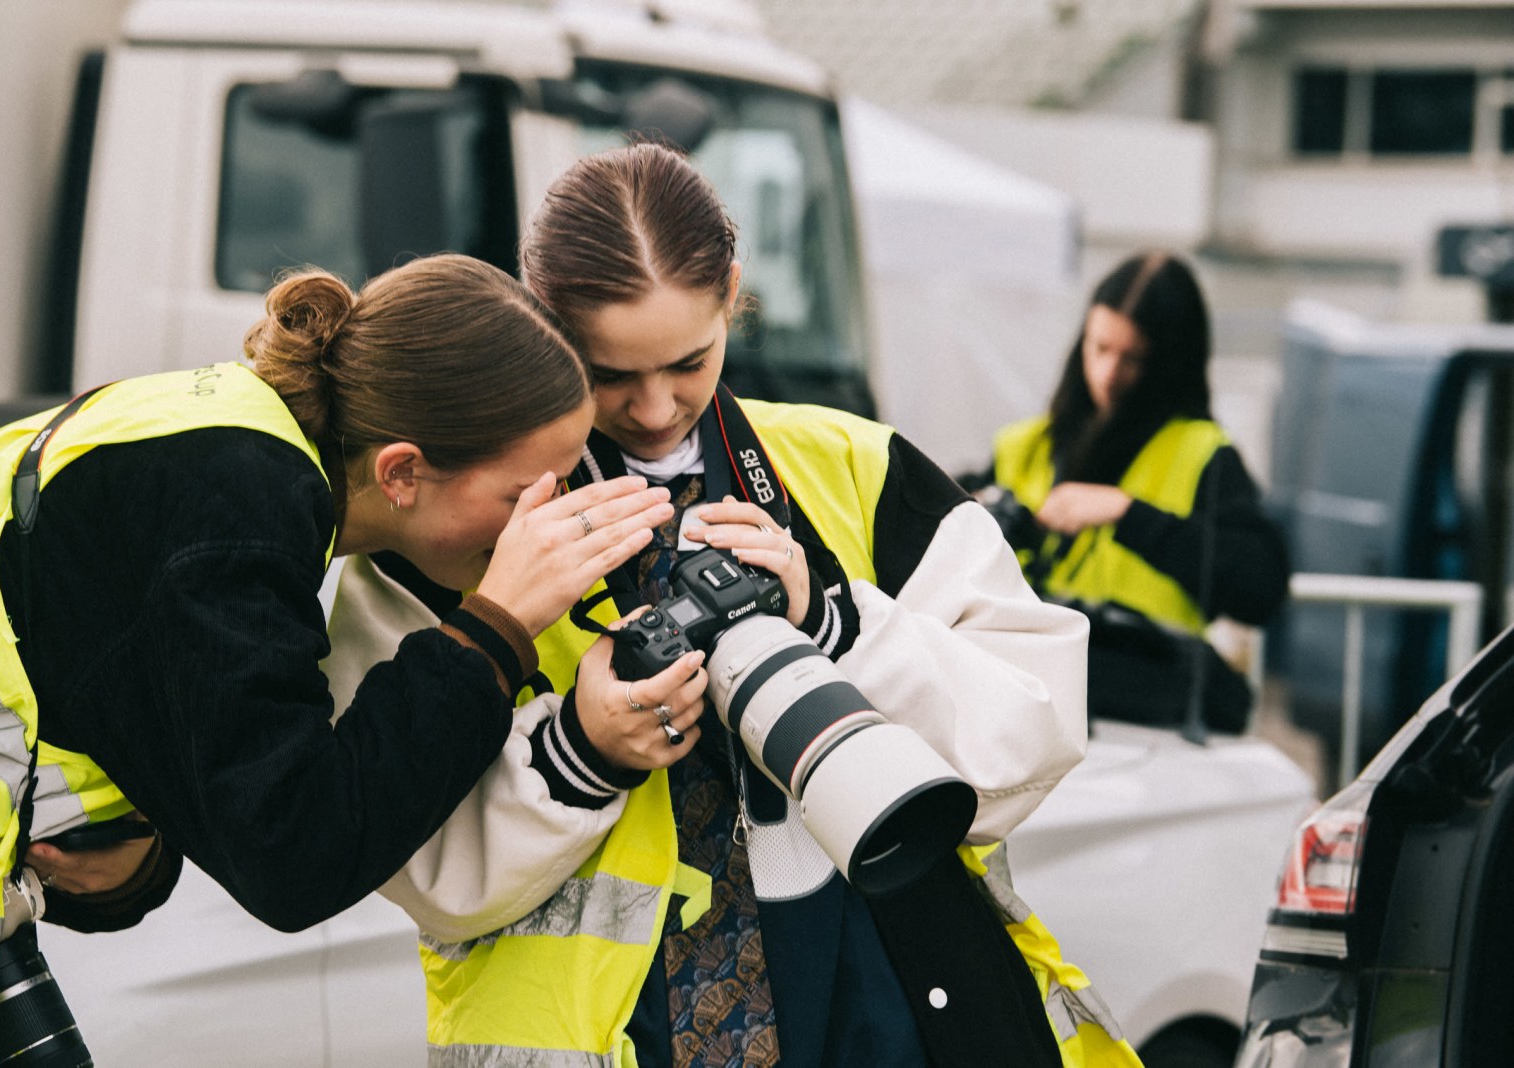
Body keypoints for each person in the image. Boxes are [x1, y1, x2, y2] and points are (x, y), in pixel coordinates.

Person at [324, 145, 1140, 1067]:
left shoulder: (854, 468)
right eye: (610, 375)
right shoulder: (454, 522)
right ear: (538, 323)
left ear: (734, 297)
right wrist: (579, 751)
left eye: (688, 359)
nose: (656, 406)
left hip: (891, 1008)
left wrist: (838, 628)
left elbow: (1033, 733)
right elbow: (408, 855)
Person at [0, 252, 675, 1065]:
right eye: (523, 494)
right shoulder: (233, 511)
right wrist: (495, 629)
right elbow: (295, 856)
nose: (542, 524)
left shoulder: (218, 443)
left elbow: (120, 700)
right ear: (403, 471)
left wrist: (133, 857)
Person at [973, 250, 1290, 733]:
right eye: (1099, 349)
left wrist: (1129, 515)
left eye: (1133, 358)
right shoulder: (1023, 446)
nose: (1107, 375)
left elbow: (1260, 587)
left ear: (1170, 363)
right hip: (1020, 709)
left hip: (1142, 724)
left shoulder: (1203, 455)